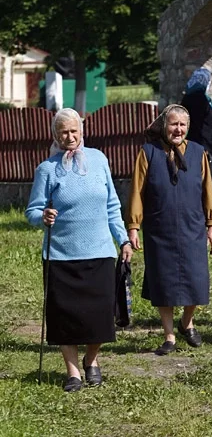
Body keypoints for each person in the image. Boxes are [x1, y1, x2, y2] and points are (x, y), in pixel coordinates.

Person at [26, 108, 133, 392]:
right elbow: (32, 211)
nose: (70, 136)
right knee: (65, 317)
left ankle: (92, 360)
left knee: (99, 315)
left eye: (74, 130)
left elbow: (112, 204)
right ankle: (72, 371)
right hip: (61, 255)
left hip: (99, 251)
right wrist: (43, 216)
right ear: (54, 135)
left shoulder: (99, 160)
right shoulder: (47, 169)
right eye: (64, 132)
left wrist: (122, 239)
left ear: (82, 131)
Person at [125, 104, 212, 356]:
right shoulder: (148, 152)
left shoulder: (199, 152)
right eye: (173, 124)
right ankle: (169, 336)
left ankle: (187, 322)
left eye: (182, 125)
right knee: (163, 282)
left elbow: (208, 191)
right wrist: (133, 226)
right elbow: (137, 191)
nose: (178, 129)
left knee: (197, 281)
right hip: (160, 229)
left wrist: (211, 225)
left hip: (193, 227)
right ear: (164, 125)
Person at [180, 67, 212, 187]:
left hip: (188, 145)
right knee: (205, 179)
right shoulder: (202, 100)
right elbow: (205, 123)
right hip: (202, 144)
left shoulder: (186, 99)